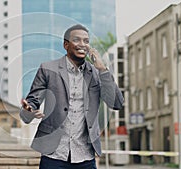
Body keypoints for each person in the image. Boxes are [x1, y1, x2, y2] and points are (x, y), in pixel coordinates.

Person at [20, 24, 124, 169]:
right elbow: (31, 104)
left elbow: (117, 103)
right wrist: (28, 110)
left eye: (86, 41)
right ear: (66, 45)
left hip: (85, 156)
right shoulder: (48, 69)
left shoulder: (96, 73)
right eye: (77, 40)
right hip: (54, 154)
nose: (82, 44)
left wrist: (103, 69)